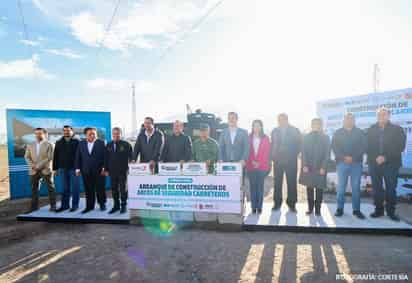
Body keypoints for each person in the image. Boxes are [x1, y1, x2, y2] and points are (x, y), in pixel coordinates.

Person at [367, 107, 406, 222]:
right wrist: (375, 157)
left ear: (389, 116)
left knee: (390, 188)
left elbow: (400, 146)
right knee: (377, 188)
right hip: (374, 163)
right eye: (379, 115)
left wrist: (385, 157)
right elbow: (367, 146)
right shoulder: (371, 129)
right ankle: (378, 210)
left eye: (384, 114)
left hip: (391, 164)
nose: (381, 117)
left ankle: (391, 211)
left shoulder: (397, 129)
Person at [332, 113, 366, 219]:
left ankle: (356, 210)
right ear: (343, 120)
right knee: (341, 187)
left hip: (356, 163)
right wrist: (344, 158)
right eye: (347, 118)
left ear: (354, 120)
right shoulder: (338, 132)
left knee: (356, 188)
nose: (349, 120)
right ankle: (340, 209)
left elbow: (363, 147)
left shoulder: (360, 132)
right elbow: (335, 147)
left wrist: (353, 158)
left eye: (351, 119)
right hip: (342, 164)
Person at [270, 113, 302, 212]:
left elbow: (299, 144)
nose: (281, 121)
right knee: (277, 183)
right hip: (278, 161)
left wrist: (293, 155)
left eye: (283, 119)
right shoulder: (274, 131)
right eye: (279, 120)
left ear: (287, 120)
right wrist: (273, 157)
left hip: (291, 161)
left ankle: (292, 204)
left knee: (291, 182)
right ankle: (277, 202)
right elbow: (273, 144)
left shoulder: (295, 130)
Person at [299, 118, 330, 216]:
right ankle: (310, 208)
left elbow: (327, 154)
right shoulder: (306, 137)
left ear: (321, 126)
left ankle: (318, 210)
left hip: (320, 168)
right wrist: (304, 165)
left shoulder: (326, 138)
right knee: (310, 189)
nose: (316, 126)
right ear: (311, 125)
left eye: (318, 124)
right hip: (309, 168)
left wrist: (323, 167)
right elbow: (303, 152)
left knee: (319, 189)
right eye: (314, 124)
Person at [75, 127, 107, 213]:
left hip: (99, 170)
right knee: (88, 189)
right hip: (86, 171)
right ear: (86, 135)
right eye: (90, 134)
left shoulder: (101, 143)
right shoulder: (81, 143)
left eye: (94, 134)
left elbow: (105, 157)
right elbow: (78, 157)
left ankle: (102, 204)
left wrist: (104, 168)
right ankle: (89, 206)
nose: (92, 135)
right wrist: (77, 169)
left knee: (100, 188)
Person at [24, 128, 56, 212]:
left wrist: (38, 166)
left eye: (40, 133)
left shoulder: (50, 144)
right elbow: (27, 157)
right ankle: (34, 207)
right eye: (36, 134)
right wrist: (33, 166)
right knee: (34, 189)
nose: (38, 135)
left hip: (46, 169)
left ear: (45, 134)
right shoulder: (30, 144)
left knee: (50, 188)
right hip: (33, 170)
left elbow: (50, 157)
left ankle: (53, 206)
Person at [104, 127, 133, 214]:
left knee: (123, 189)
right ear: (112, 134)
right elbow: (106, 158)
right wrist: (105, 169)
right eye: (114, 134)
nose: (115, 135)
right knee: (114, 189)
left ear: (121, 134)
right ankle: (116, 206)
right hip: (112, 171)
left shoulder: (126, 144)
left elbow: (131, 158)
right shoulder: (108, 145)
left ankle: (123, 205)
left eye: (117, 133)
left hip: (123, 171)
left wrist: (131, 168)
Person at [53, 125, 81, 212]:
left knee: (75, 188)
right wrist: (55, 168)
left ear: (72, 131)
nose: (66, 132)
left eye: (68, 130)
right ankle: (65, 206)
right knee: (65, 188)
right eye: (64, 130)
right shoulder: (58, 142)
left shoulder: (77, 142)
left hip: (74, 168)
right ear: (63, 132)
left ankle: (75, 205)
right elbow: (55, 156)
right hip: (62, 168)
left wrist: (78, 168)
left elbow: (80, 156)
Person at [246, 120, 271, 214]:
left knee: (260, 187)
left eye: (258, 126)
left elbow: (267, 153)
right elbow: (247, 151)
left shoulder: (265, 138)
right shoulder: (248, 138)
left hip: (262, 166)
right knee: (252, 187)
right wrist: (253, 161)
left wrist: (259, 163)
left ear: (261, 127)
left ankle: (259, 207)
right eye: (254, 126)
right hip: (251, 165)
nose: (256, 127)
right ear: (252, 127)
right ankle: (253, 207)